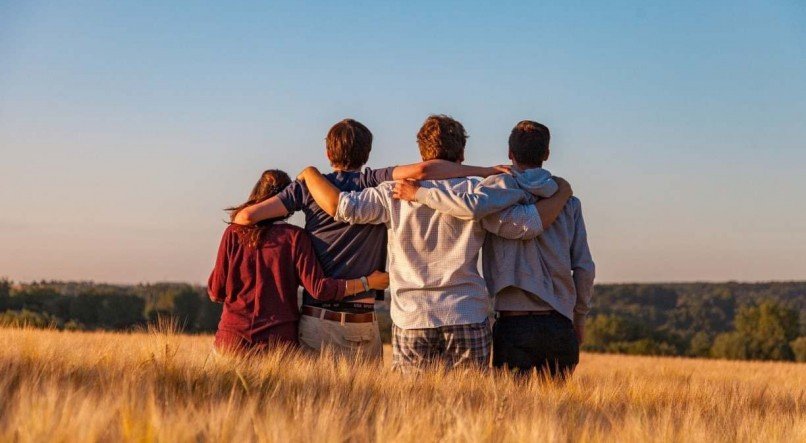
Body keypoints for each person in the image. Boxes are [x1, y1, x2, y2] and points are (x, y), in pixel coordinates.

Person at [297, 115, 573, 373]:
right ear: (461, 154)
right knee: (469, 410)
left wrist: (310, 174)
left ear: (421, 152)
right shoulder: (478, 191)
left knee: (413, 409)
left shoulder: (391, 193)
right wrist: (562, 194)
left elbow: (342, 207)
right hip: (466, 313)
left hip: (412, 317)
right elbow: (524, 226)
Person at [230, 118, 508, 360]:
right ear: (367, 152)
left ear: (328, 152)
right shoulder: (374, 181)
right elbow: (424, 171)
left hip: (318, 318)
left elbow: (245, 218)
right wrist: (484, 171)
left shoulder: (307, 187)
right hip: (364, 320)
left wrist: (306, 179)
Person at [393, 120, 595, 378]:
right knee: (556, 413)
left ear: (510, 154)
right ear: (546, 154)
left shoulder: (492, 195)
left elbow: (470, 207)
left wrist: (420, 194)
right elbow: (584, 268)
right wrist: (579, 318)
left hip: (513, 324)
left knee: (509, 411)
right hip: (559, 322)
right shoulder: (568, 202)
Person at [207, 169, 389, 356]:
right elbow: (319, 289)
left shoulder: (233, 233)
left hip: (231, 341)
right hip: (278, 345)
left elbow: (216, 291)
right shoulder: (295, 238)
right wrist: (367, 282)